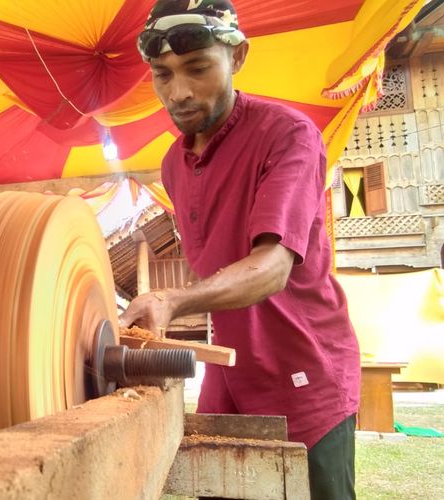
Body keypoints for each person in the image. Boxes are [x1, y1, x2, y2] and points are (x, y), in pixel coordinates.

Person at [118, 1, 361, 498]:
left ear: (238, 56)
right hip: (228, 371)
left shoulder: (288, 135)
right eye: (161, 75)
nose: (178, 92)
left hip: (304, 368)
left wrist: (172, 300)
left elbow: (271, 269)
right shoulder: (173, 164)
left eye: (198, 68)